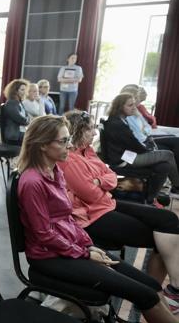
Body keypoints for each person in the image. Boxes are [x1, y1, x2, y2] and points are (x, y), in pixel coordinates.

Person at [17, 115, 179, 323]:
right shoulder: (32, 182)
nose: (69, 146)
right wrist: (84, 252)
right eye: (62, 141)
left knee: (153, 287)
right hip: (49, 257)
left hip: (71, 248)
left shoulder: (54, 172)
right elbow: (44, 235)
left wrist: (88, 245)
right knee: (145, 294)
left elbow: (69, 220)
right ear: (42, 145)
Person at [61, 110, 179, 311]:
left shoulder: (87, 151)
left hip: (106, 204)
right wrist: (103, 184)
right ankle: (158, 296)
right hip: (92, 217)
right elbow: (91, 194)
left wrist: (101, 181)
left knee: (168, 220)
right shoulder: (69, 159)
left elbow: (112, 176)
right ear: (78, 131)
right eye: (90, 129)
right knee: (160, 235)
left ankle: (163, 292)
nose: (94, 133)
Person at [102, 93, 179, 198]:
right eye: (130, 105)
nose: (134, 108)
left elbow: (133, 143)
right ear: (120, 107)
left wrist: (149, 148)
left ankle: (151, 197)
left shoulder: (119, 119)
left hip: (127, 155)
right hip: (123, 160)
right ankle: (177, 186)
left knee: (164, 165)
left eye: (134, 104)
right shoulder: (117, 124)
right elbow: (135, 145)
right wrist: (149, 150)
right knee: (168, 154)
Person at [0, 79, 30, 146]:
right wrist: (28, 120)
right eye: (22, 90)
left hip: (20, 133)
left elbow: (26, 117)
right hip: (14, 136)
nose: (25, 92)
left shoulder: (19, 102)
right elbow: (21, 120)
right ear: (15, 91)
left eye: (25, 90)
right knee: (37, 139)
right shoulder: (11, 103)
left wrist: (27, 120)